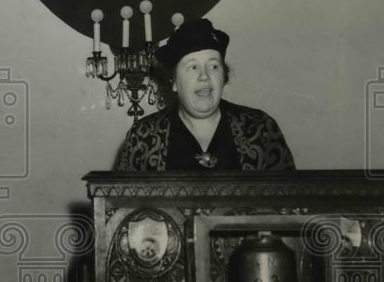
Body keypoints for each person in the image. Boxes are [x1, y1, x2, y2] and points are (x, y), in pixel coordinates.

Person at [114, 18, 295, 171]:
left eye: (214, 66)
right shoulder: (143, 136)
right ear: (174, 82)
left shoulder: (260, 128)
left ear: (223, 77)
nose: (204, 76)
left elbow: (289, 204)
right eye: (193, 67)